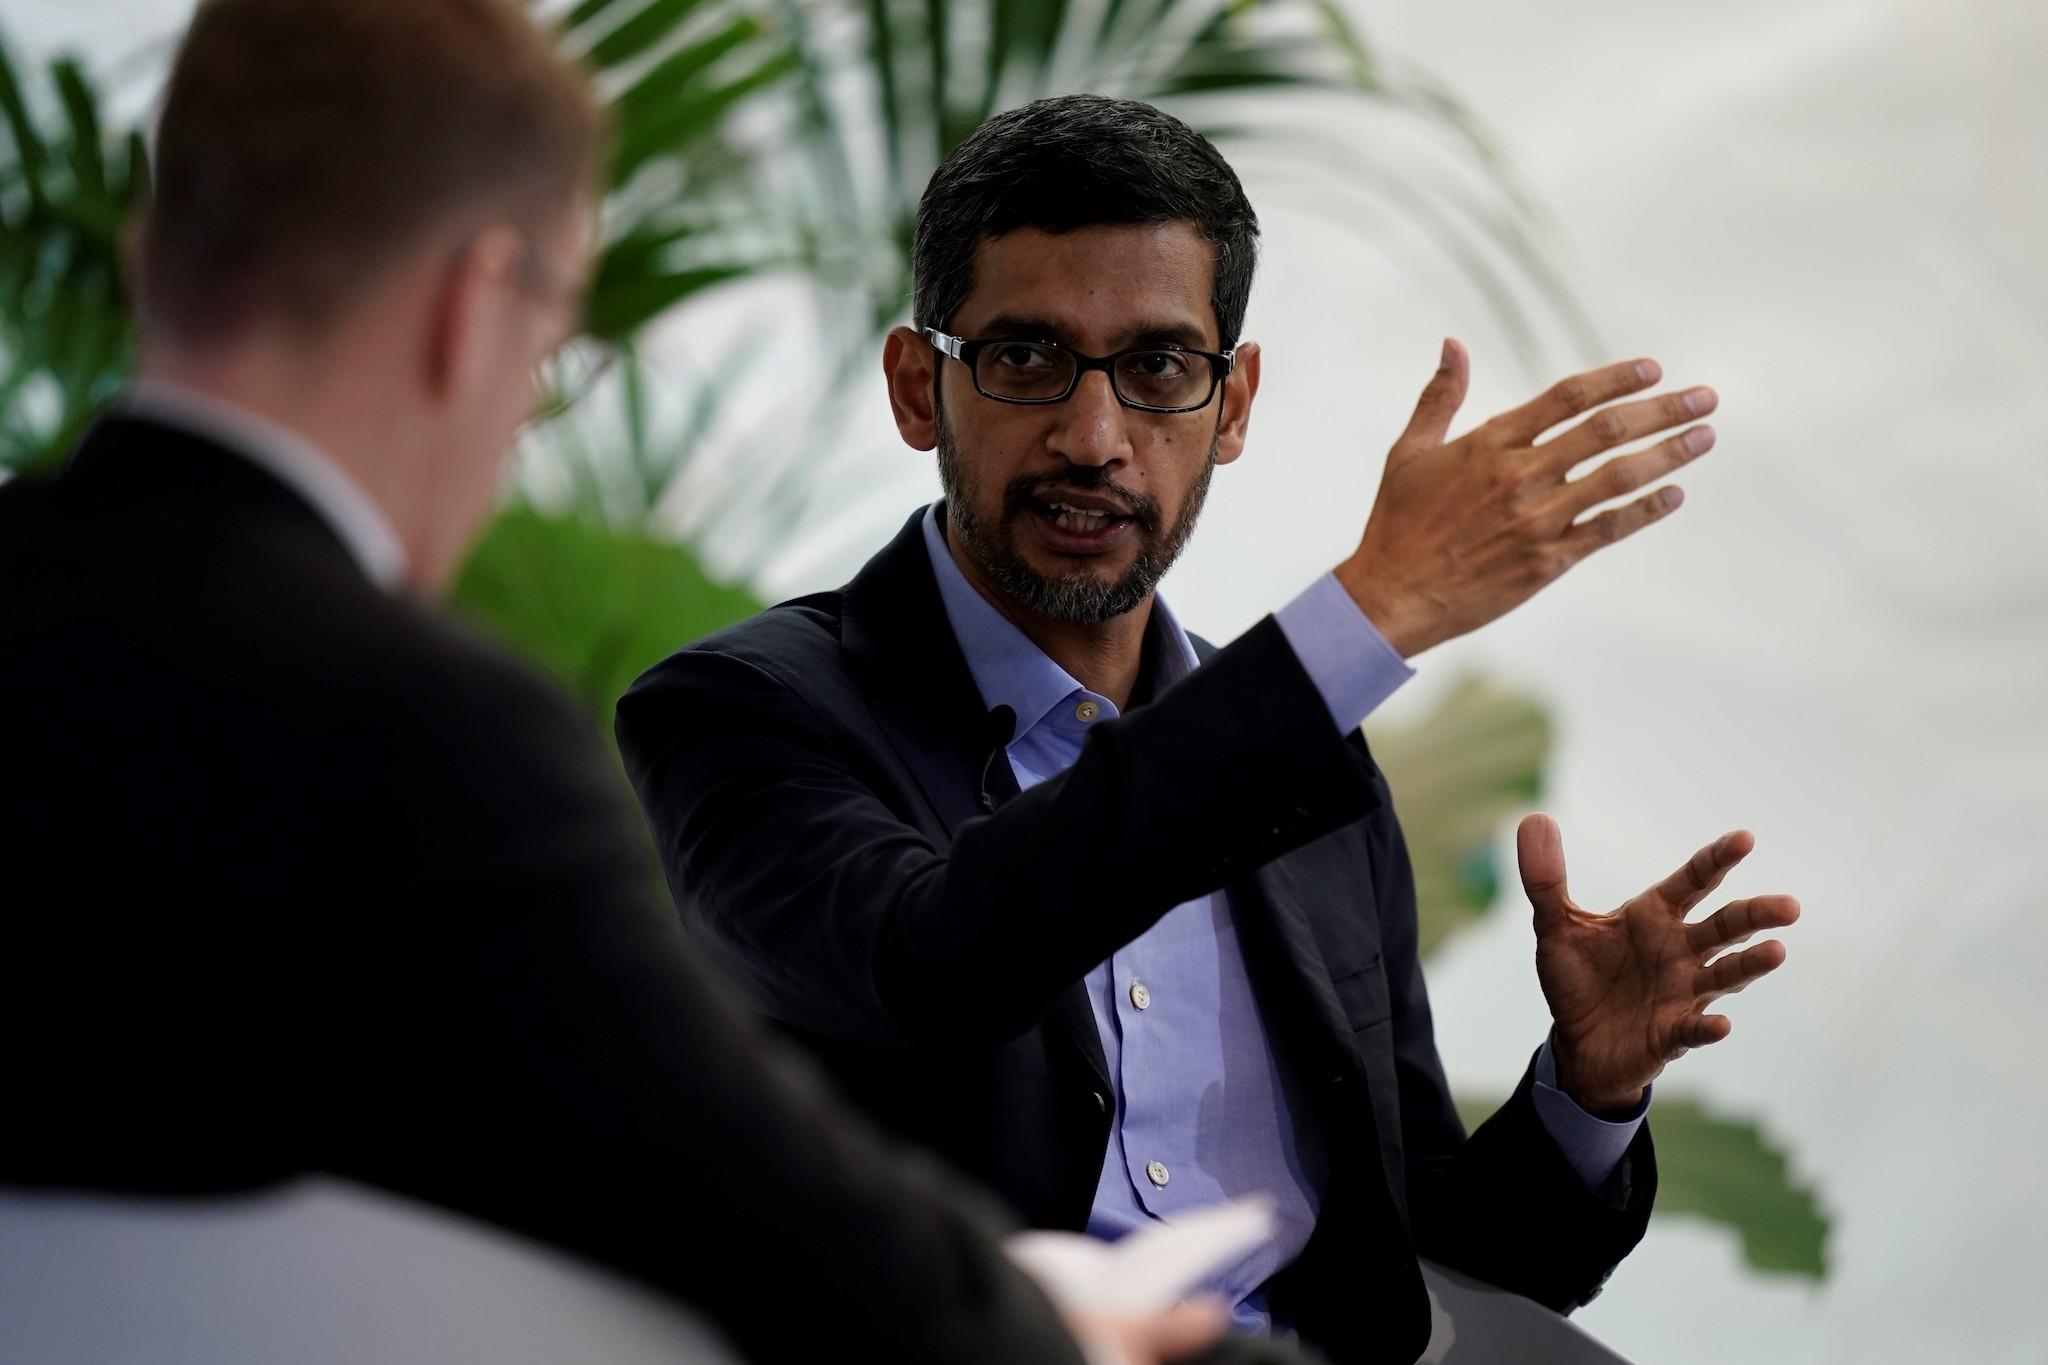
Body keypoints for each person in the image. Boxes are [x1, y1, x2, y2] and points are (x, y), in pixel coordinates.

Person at [0, 9, 1255, 1364]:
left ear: (155, 249)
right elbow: (763, 1211)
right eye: (555, 341)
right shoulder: (418, 741)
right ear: (479, 303)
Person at [617, 95, 1801, 1365]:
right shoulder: (743, 714)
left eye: (1158, 370)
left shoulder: (1305, 762)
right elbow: (929, 967)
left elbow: (1437, 1258)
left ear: (1231, 407)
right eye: (1023, 359)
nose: (1093, 437)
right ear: (920, 388)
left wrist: (1587, 1089)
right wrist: (1370, 615)